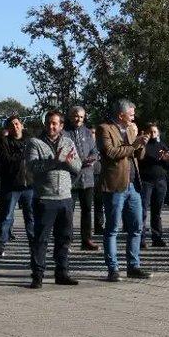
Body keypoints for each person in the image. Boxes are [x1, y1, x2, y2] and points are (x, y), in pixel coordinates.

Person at [27, 110, 82, 288]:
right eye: (49, 123)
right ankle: (37, 275)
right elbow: (32, 166)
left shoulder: (68, 142)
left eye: (55, 123)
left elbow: (78, 166)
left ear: (61, 126)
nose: (51, 126)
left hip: (65, 197)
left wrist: (67, 162)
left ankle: (62, 273)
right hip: (45, 197)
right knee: (41, 239)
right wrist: (55, 161)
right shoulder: (35, 143)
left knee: (64, 238)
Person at [97, 99, 151, 281]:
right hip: (115, 185)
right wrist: (134, 145)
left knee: (137, 227)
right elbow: (111, 153)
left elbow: (138, 156)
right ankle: (113, 268)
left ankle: (133, 265)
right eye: (131, 114)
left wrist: (141, 143)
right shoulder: (105, 128)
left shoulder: (130, 129)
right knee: (112, 228)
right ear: (121, 115)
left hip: (133, 186)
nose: (134, 117)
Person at [0, 116, 35, 258]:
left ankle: (35, 246)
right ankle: (0, 246)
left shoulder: (30, 142)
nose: (15, 126)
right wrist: (22, 156)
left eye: (17, 124)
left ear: (22, 126)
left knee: (31, 217)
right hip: (11, 185)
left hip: (29, 184)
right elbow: (6, 161)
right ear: (8, 129)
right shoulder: (3, 143)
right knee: (6, 218)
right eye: (11, 125)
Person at [65, 106, 100, 250]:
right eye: (75, 116)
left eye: (80, 116)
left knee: (87, 210)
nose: (78, 119)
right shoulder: (64, 133)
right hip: (71, 177)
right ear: (70, 116)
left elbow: (95, 150)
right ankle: (67, 240)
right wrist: (78, 161)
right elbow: (64, 153)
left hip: (87, 177)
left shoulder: (87, 132)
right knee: (68, 211)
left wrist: (93, 158)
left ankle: (86, 239)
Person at [137, 122, 169, 249]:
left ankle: (157, 237)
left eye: (155, 132)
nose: (153, 134)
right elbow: (141, 159)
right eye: (150, 132)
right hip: (146, 182)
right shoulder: (143, 145)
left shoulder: (162, 145)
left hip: (160, 181)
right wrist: (157, 158)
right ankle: (141, 240)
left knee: (157, 211)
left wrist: (165, 159)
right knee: (143, 211)